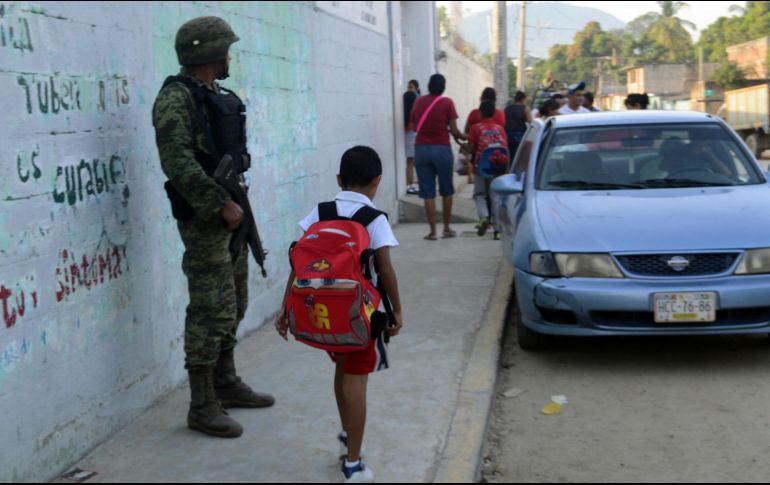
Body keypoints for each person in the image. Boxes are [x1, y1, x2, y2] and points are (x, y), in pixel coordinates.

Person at [153, 16, 275, 439]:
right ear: (208, 54)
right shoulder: (174, 99)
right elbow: (177, 161)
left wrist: (233, 200)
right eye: (225, 49)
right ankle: (202, 405)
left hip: (231, 211)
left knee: (235, 300)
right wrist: (217, 202)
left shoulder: (213, 95)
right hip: (207, 218)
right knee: (209, 308)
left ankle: (226, 382)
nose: (229, 57)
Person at [275, 146, 403, 484]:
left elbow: (298, 260)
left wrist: (286, 306)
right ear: (377, 181)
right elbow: (386, 272)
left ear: (338, 180)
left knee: (343, 370)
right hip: (360, 314)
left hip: (325, 313)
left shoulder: (320, 211)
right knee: (356, 382)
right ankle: (352, 464)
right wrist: (397, 312)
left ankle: (349, 432)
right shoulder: (374, 219)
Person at [411, 74, 467, 241]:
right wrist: (465, 138)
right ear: (443, 87)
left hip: (421, 149)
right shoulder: (447, 103)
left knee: (428, 192)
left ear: (429, 85)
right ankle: (447, 228)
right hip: (442, 149)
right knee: (446, 190)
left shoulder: (418, 101)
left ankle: (432, 232)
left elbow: (414, 125)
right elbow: (454, 130)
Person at [468, 100, 509, 240]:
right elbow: (505, 149)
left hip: (481, 167)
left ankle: (484, 217)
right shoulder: (500, 129)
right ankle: (498, 230)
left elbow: (471, 148)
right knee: (495, 197)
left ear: (480, 113)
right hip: (497, 167)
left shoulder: (475, 128)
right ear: (494, 113)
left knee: (479, 194)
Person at [463, 87, 506, 183]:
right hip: (497, 158)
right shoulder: (500, 114)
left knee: (480, 189)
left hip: (479, 159)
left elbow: (467, 131)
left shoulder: (474, 113)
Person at [403, 80, 421, 195]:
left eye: (411, 87)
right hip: (411, 132)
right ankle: (409, 185)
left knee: (411, 160)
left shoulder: (412, 98)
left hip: (411, 132)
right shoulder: (415, 98)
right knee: (410, 160)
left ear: (416, 88)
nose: (409, 89)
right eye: (408, 87)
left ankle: (411, 184)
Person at [504, 90, 532, 156]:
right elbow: (530, 121)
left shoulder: (507, 108)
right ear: (522, 99)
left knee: (509, 154)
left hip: (507, 135)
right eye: (525, 99)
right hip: (519, 135)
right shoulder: (525, 108)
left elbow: (504, 121)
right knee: (519, 155)